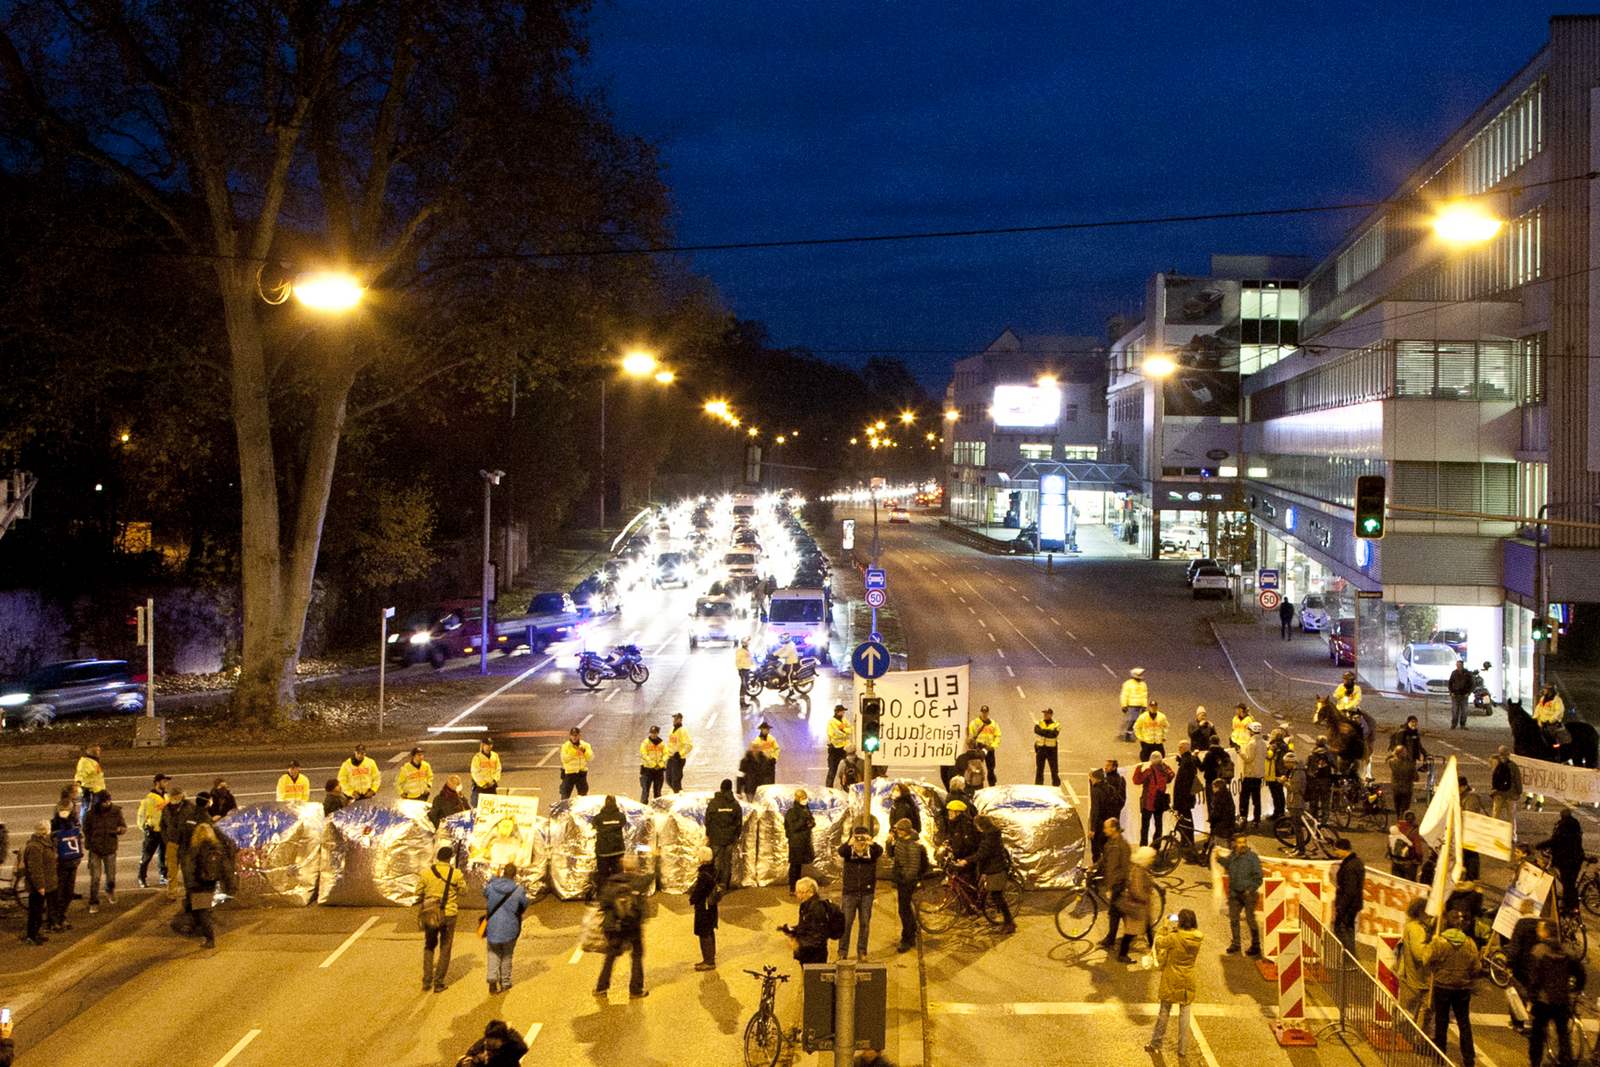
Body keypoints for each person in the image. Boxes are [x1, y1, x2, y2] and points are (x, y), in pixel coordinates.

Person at [1527, 918, 1586, 1067]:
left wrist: (1531, 999)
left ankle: (1535, 1062)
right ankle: (1566, 1061)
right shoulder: (1567, 952)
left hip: (1543, 1000)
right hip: (1561, 999)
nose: (1538, 932)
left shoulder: (1538, 951)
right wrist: (1575, 989)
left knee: (1537, 1034)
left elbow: (1534, 979)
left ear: (1545, 932)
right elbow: (1580, 973)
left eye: (1540, 929)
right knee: (1562, 1034)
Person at [1146, 909, 1203, 1058]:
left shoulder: (1174, 937)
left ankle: (1155, 1043)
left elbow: (1158, 942)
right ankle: (1182, 1049)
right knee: (1185, 1013)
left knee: (1164, 1011)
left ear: (1181, 921)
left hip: (1171, 977)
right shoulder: (1197, 938)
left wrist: (1165, 926)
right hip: (1188, 978)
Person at [594, 851, 650, 999]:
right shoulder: (639, 881)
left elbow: (603, 902)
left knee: (610, 956)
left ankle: (601, 987)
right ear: (635, 867)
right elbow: (651, 877)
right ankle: (635, 989)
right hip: (633, 926)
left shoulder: (612, 882)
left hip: (614, 926)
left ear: (622, 866)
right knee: (637, 955)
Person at [1428, 910, 1480, 1067]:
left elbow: (1428, 959)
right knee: (1464, 1022)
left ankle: (1439, 1057)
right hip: (1462, 988)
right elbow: (1476, 967)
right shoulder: (1470, 943)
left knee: (1441, 1021)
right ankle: (1468, 1058)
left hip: (1442, 986)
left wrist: (1436, 969)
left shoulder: (1439, 942)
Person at [417, 845, 465, 992]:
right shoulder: (456, 873)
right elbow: (464, 891)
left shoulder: (426, 873)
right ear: (450, 858)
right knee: (445, 947)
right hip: (449, 914)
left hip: (431, 913)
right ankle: (438, 983)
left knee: (429, 945)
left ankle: (426, 980)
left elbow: (418, 891)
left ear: (437, 857)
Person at [838, 825, 883, 959]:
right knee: (846, 923)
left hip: (866, 894)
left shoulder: (872, 853)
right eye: (858, 839)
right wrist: (849, 842)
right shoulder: (848, 852)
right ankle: (842, 952)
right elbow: (841, 851)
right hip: (849, 893)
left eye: (863, 839)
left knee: (864, 923)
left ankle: (862, 951)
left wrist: (871, 842)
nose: (860, 843)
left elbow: (880, 850)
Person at [483, 862, 528, 993]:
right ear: (514, 875)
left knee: (493, 953)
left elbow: (484, 893)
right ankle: (505, 982)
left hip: (492, 926)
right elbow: (524, 905)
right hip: (510, 927)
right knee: (507, 955)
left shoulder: (491, 886)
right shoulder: (518, 890)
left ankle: (492, 978)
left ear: (503, 873)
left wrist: (493, 878)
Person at [185, 821, 230, 949]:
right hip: (210, 883)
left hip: (198, 884)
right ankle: (207, 935)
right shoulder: (216, 848)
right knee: (204, 910)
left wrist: (189, 885)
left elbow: (190, 868)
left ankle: (210, 939)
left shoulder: (195, 849)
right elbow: (224, 867)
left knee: (202, 912)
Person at [888, 818, 927, 952]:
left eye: (899, 830)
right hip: (901, 879)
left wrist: (905, 879)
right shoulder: (900, 841)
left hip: (907, 881)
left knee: (903, 910)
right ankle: (912, 930)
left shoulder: (912, 845)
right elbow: (892, 855)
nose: (897, 831)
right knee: (904, 908)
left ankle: (907, 937)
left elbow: (913, 867)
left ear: (906, 831)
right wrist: (889, 842)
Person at [84, 790, 126, 914]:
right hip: (95, 850)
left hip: (110, 848)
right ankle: (94, 901)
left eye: (108, 801)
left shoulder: (116, 811)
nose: (107, 803)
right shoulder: (91, 814)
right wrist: (90, 844)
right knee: (95, 878)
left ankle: (110, 890)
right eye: (104, 802)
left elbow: (123, 826)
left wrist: (119, 830)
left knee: (111, 876)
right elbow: (86, 829)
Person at [974, 814, 1016, 934]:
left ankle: (1009, 923)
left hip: (996, 870)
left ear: (981, 826)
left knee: (997, 896)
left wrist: (967, 860)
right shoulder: (990, 834)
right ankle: (1007, 921)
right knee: (992, 894)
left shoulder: (990, 837)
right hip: (993, 868)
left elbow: (982, 854)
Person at [1222, 834, 1262, 956]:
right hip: (1234, 894)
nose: (1242, 844)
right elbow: (1227, 864)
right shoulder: (1233, 856)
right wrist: (1217, 857)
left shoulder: (1252, 857)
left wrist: (1250, 889)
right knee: (1234, 919)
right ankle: (1236, 944)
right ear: (1234, 844)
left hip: (1248, 895)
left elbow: (1258, 877)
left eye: (1244, 842)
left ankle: (1256, 945)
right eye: (1239, 842)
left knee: (1250, 920)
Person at [1538, 808, 1584, 913]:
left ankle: (1571, 907)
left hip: (1569, 859)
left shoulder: (1565, 825)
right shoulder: (1573, 823)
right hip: (1573, 857)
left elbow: (1557, 840)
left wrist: (1541, 845)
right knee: (1568, 882)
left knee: (1568, 883)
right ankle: (1569, 904)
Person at [1394, 898, 1432, 1020]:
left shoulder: (1413, 926)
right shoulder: (1416, 929)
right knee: (1422, 1010)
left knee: (1416, 1009)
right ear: (1421, 912)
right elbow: (1420, 954)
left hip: (1415, 977)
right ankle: (1416, 1036)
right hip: (1419, 977)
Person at [50, 791, 83, 931]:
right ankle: (54, 920)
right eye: (63, 810)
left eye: (68, 810)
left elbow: (78, 839)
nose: (66, 812)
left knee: (68, 893)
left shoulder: (74, 823)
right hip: (60, 864)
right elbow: (50, 841)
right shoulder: (54, 824)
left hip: (72, 862)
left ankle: (62, 916)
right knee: (58, 893)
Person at [1096, 818, 1131, 950]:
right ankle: (1112, 938)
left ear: (1113, 828)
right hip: (1114, 885)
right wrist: (1093, 867)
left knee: (1116, 913)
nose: (1104, 830)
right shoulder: (1110, 843)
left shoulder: (1123, 846)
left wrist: (1116, 886)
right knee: (1116, 913)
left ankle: (1115, 940)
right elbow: (1104, 860)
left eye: (1106, 828)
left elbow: (1125, 868)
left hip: (1119, 885)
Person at [21, 820, 56, 945]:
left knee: (39, 910)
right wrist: (40, 886)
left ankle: (36, 933)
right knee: (35, 911)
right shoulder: (35, 847)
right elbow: (35, 869)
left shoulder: (44, 843)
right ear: (45, 831)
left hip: (45, 883)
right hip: (39, 886)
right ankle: (31, 935)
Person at [782, 877, 831, 965]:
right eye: (797, 892)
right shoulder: (807, 905)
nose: (797, 895)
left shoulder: (817, 908)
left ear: (810, 892)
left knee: (812, 977)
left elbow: (817, 936)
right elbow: (806, 926)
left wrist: (798, 944)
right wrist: (792, 930)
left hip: (814, 955)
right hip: (809, 953)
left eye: (800, 892)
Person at [706, 779, 743, 890]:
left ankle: (715, 884)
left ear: (721, 788)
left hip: (716, 838)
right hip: (729, 838)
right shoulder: (735, 804)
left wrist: (709, 834)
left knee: (716, 861)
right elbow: (739, 822)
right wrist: (736, 836)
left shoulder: (714, 803)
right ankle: (724, 885)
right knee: (727, 862)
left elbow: (708, 820)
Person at [688, 846, 721, 971]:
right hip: (712, 907)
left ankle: (708, 961)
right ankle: (710, 958)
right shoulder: (714, 870)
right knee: (709, 932)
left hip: (704, 908)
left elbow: (699, 892)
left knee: (704, 933)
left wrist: (692, 899)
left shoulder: (704, 874)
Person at [136, 773, 170, 887]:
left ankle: (163, 876)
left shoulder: (166, 796)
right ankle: (142, 878)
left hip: (164, 831)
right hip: (153, 831)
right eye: (164, 781)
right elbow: (141, 815)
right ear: (157, 783)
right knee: (146, 856)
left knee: (163, 856)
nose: (166, 783)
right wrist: (144, 827)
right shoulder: (149, 799)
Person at [1332, 838, 1364, 955]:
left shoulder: (1350, 866)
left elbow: (1349, 890)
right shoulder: (1357, 862)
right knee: (1348, 929)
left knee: (1342, 930)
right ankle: (1350, 958)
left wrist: (1341, 907)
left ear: (1343, 849)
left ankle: (1350, 958)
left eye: (1336, 850)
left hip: (1348, 905)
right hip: (1353, 904)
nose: (1335, 853)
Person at [1132, 752, 1171, 847]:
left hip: (1148, 803)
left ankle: (1144, 847)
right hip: (1160, 802)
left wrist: (1138, 769)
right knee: (1158, 826)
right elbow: (1171, 776)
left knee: (1145, 827)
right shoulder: (1165, 770)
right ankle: (1156, 846)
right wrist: (1165, 765)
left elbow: (1136, 781)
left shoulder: (1149, 771)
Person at [946, 799, 980, 897]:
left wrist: (963, 858)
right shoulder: (954, 823)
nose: (949, 813)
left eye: (951, 811)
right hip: (959, 857)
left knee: (967, 882)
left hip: (966, 858)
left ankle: (972, 906)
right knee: (960, 881)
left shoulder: (966, 825)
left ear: (958, 812)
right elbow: (953, 838)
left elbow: (968, 843)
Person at [458, 1020, 529, 1067]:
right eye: (488, 1040)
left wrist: (510, 1031)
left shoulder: (511, 1048)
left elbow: (523, 1048)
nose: (490, 1045)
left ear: (503, 1040)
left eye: (494, 1043)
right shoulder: (479, 1049)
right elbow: (464, 1062)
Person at [593, 795, 626, 891]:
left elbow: (593, 826)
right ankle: (618, 894)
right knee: (618, 875)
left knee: (603, 875)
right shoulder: (621, 816)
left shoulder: (598, 818)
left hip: (603, 852)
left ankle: (603, 895)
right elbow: (624, 823)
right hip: (618, 851)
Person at [785, 789, 815, 893]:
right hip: (796, 842)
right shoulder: (792, 812)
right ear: (797, 799)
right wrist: (804, 820)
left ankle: (798, 886)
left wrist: (811, 822)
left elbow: (811, 821)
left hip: (804, 841)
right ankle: (793, 887)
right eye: (802, 798)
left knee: (799, 866)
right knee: (794, 865)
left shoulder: (806, 810)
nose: (805, 800)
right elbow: (793, 827)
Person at [1171, 741, 1199, 847]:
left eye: (1180, 747)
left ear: (1185, 748)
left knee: (1185, 821)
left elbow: (1182, 784)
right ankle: (1187, 841)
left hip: (1183, 799)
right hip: (1187, 798)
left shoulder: (1186, 762)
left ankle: (1187, 842)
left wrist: (1177, 802)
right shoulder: (1188, 759)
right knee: (1186, 820)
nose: (1179, 748)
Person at [1239, 723, 1266, 830]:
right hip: (1259, 775)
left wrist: (1240, 752)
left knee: (1244, 798)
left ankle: (1243, 818)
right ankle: (1256, 820)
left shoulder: (1251, 743)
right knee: (1256, 799)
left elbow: (1248, 759)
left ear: (1251, 731)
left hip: (1250, 774)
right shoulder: (1263, 743)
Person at [1489, 745, 1522, 831]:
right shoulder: (1513, 766)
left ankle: (1493, 832)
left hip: (1498, 793)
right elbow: (1517, 780)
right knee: (1511, 816)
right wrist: (1519, 792)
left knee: (1496, 814)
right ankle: (1513, 836)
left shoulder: (1494, 763)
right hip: (1510, 793)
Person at [968, 706, 1001, 785]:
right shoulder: (975, 723)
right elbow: (971, 735)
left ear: (988, 712)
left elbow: (997, 736)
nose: (984, 714)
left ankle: (992, 785)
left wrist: (993, 746)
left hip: (989, 748)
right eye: (983, 712)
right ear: (980, 712)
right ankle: (978, 785)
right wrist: (973, 744)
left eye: (986, 712)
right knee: (977, 769)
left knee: (991, 769)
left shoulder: (993, 724)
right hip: (978, 748)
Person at [1087, 768, 1115, 860]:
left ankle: (1097, 868)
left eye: (1092, 778)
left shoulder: (1096, 791)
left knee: (1096, 850)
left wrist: (1092, 829)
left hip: (1098, 824)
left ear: (1097, 779)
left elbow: (1095, 810)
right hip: (1107, 823)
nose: (1091, 779)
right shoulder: (1109, 788)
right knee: (1105, 848)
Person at [559, 727, 594, 799]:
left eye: (576, 735)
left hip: (581, 773)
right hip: (569, 774)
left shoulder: (585, 745)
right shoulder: (566, 746)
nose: (574, 737)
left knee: (583, 795)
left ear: (579, 736)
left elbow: (590, 758)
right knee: (565, 794)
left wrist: (584, 752)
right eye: (572, 735)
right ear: (570, 736)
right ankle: (563, 809)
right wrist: (574, 752)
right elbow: (564, 759)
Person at [74, 744, 105, 823]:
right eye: (95, 751)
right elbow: (80, 773)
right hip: (90, 788)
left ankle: (89, 820)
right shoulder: (86, 762)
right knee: (88, 806)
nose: (97, 753)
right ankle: (84, 821)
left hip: (95, 788)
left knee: (90, 805)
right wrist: (78, 782)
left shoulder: (92, 761)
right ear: (89, 752)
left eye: (98, 751)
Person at [1305, 738, 1334, 821]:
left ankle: (1314, 819)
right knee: (1325, 801)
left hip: (1314, 780)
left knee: (1314, 800)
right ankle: (1324, 820)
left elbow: (1307, 765)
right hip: (1325, 780)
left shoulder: (1312, 753)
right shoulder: (1329, 753)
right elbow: (1334, 765)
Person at [1264, 728, 1290, 821]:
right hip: (1281, 772)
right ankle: (1280, 812)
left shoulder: (1273, 746)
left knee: (1276, 794)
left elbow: (1268, 757)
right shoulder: (1285, 746)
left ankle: (1278, 813)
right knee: (1279, 793)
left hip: (1274, 772)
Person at [826, 704, 853, 787]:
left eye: (843, 711)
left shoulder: (844, 721)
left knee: (846, 769)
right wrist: (844, 733)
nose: (843, 713)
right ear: (837, 712)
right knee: (832, 770)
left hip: (843, 749)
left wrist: (843, 729)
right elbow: (835, 734)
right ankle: (829, 787)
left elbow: (851, 730)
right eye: (842, 711)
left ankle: (845, 786)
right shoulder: (832, 722)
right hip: (834, 748)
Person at [1386, 744, 1416, 819]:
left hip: (1396, 788)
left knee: (1397, 806)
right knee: (1405, 808)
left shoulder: (1392, 762)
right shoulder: (1410, 763)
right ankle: (1403, 821)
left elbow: (1390, 760)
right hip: (1407, 788)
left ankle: (1398, 819)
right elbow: (1416, 777)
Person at [1119, 668, 1149, 743]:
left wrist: (1144, 705)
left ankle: (1129, 733)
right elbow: (1124, 695)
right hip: (1131, 705)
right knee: (1132, 720)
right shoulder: (1128, 684)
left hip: (1139, 706)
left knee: (1136, 720)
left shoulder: (1143, 684)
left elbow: (1144, 696)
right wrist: (1124, 705)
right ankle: (1127, 734)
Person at [638, 726, 667, 804]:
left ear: (658, 733)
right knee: (645, 792)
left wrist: (660, 764)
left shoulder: (662, 743)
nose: (653, 735)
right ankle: (643, 807)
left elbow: (666, 754)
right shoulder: (645, 743)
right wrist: (653, 764)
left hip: (659, 771)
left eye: (655, 733)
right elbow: (644, 755)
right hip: (647, 770)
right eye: (652, 733)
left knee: (657, 792)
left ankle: (657, 808)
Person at [665, 713, 693, 793]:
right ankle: (678, 793)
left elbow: (689, 745)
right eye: (674, 719)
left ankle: (679, 795)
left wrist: (680, 753)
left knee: (675, 781)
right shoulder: (671, 730)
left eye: (676, 719)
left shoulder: (683, 731)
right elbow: (671, 744)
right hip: (670, 758)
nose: (673, 720)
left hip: (678, 759)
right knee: (668, 779)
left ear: (680, 720)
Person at [1033, 707, 1062, 785]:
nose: (1045, 715)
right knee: (1039, 769)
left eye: (1047, 714)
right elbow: (1036, 730)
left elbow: (1054, 734)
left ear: (1051, 714)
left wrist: (1043, 732)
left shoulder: (1056, 724)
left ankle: (1056, 785)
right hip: (1041, 748)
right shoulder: (1039, 722)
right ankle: (1038, 785)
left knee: (1054, 769)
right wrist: (1047, 732)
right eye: (1044, 713)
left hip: (1051, 749)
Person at [471, 738, 502, 804]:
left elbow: (498, 769)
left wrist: (494, 780)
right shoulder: (477, 757)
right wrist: (483, 784)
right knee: (480, 804)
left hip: (492, 785)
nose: (488, 747)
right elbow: (475, 773)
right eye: (486, 745)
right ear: (482, 746)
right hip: (481, 787)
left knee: (493, 804)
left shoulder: (495, 756)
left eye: (490, 745)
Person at [1207, 777, 1235, 846]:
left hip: (1221, 827)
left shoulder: (1218, 797)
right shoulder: (1228, 794)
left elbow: (1217, 813)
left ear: (1218, 788)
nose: (1212, 789)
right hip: (1229, 824)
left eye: (1213, 787)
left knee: (1219, 845)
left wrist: (1211, 819)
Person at [1447, 658, 1474, 729]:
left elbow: (1472, 684)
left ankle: (1463, 724)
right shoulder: (1454, 673)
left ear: (1462, 665)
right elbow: (1450, 683)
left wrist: (1468, 692)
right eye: (1457, 665)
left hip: (1464, 695)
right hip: (1455, 695)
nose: (1458, 666)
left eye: (1459, 665)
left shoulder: (1467, 673)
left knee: (1464, 711)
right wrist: (1451, 692)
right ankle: (1454, 724)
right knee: (1455, 710)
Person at [735, 639, 755, 707]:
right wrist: (740, 669)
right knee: (743, 686)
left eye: (748, 643)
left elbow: (749, 658)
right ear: (743, 644)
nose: (747, 644)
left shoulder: (747, 650)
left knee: (745, 685)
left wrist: (753, 663)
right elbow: (737, 661)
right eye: (746, 643)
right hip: (743, 670)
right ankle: (742, 702)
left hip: (747, 669)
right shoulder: (740, 651)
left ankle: (743, 701)